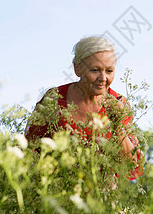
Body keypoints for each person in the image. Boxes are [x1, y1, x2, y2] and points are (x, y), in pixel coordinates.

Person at [25, 36, 143, 180]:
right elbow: (29, 150)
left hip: (101, 197)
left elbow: (131, 167)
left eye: (109, 71)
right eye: (95, 70)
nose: (103, 78)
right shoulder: (54, 98)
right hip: (56, 192)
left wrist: (117, 124)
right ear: (77, 68)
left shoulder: (120, 103)